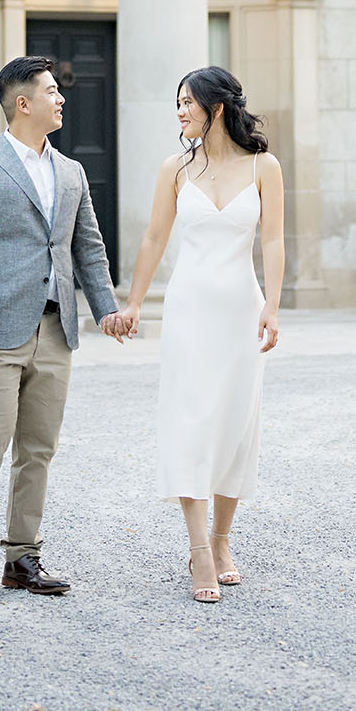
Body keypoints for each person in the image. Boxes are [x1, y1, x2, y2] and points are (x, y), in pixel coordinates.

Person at [0, 55, 130, 605]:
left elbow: (88, 249)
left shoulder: (70, 172)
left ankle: (22, 559)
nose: (62, 98)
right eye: (51, 91)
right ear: (22, 103)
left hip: (56, 331)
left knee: (39, 447)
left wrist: (106, 310)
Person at [123, 65, 283, 603]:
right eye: (177, 103)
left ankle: (221, 540)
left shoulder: (265, 166)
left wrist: (275, 306)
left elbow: (276, 242)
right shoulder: (175, 168)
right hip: (188, 312)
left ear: (216, 108)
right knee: (191, 423)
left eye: (187, 102)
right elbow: (152, 238)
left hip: (243, 311)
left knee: (235, 426)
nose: (180, 112)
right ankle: (198, 553)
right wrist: (135, 302)